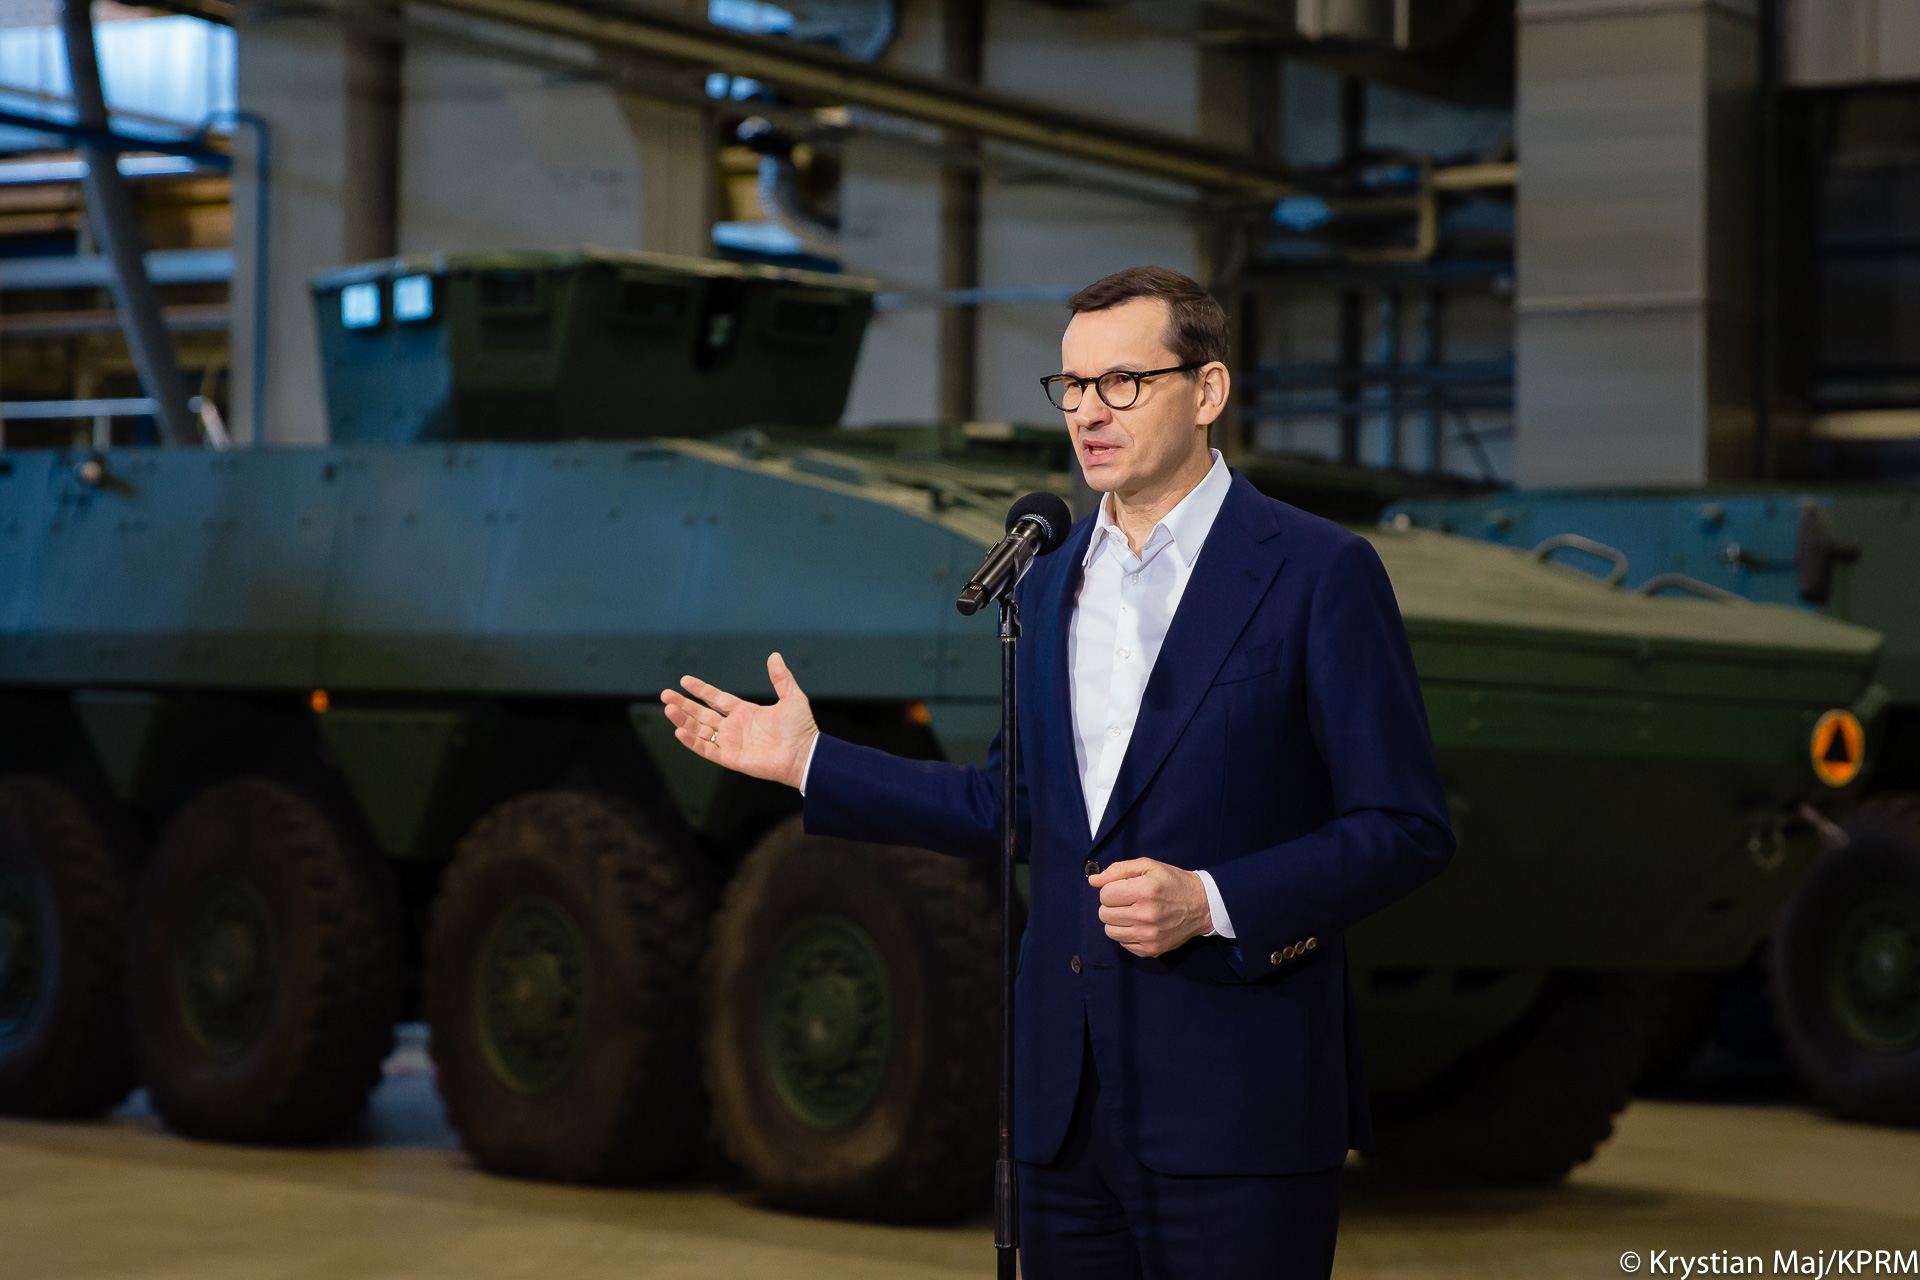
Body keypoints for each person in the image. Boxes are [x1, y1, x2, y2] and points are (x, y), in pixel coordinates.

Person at [660, 265, 1454, 1279]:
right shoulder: (1045, 583)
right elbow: (1014, 808)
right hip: (1061, 1114)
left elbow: (1404, 825)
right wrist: (811, 761)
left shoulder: (1316, 570)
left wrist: (1211, 899)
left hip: (1236, 1101)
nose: (1088, 411)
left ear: (1207, 391)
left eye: (1123, 381)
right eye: (1072, 385)